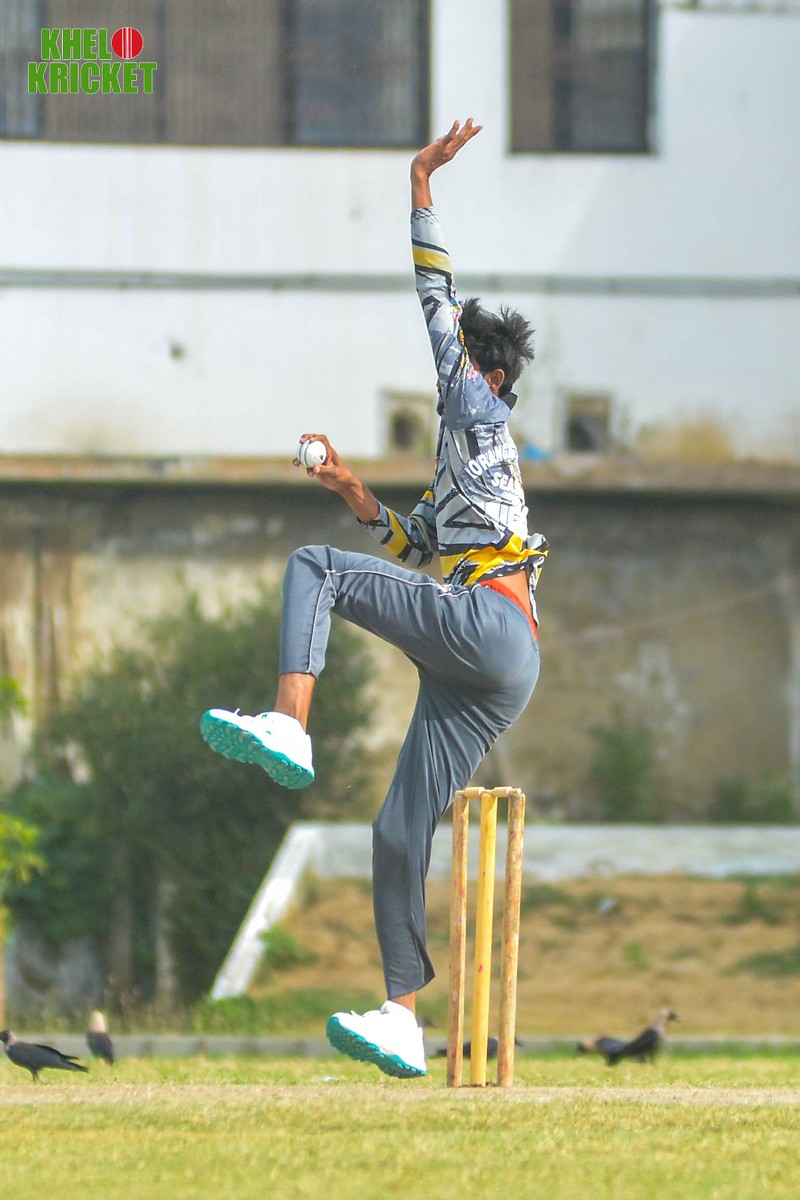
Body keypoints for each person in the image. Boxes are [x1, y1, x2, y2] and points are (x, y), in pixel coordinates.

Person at [200, 119, 548, 1079]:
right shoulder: (467, 464)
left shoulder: (481, 409)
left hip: (488, 627)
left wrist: (420, 182)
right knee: (398, 829)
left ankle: (289, 723)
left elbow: (435, 299)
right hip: (494, 663)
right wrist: (350, 486)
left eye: (462, 358)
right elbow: (412, 547)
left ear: (490, 375)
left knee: (315, 569)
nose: (447, 368)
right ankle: (401, 1013)